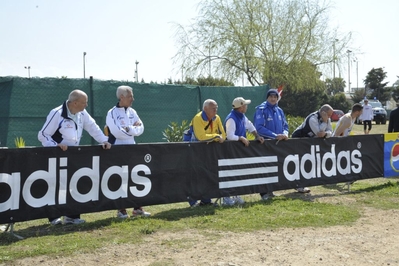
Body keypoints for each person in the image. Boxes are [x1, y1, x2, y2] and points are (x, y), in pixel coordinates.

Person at [38, 89, 112, 225]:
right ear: (75, 103)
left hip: (73, 155)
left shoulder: (82, 113)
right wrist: (56, 145)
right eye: (85, 102)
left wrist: (104, 140)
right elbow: (42, 135)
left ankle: (72, 216)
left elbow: (92, 127)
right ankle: (54, 217)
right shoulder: (57, 113)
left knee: (74, 184)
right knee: (55, 185)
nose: (86, 105)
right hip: (55, 155)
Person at [105, 85, 151, 219]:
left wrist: (129, 129)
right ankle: (121, 210)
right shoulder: (112, 113)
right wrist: (132, 130)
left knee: (135, 177)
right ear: (122, 97)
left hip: (132, 149)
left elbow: (141, 128)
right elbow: (116, 132)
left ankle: (137, 208)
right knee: (120, 178)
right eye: (130, 96)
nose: (133, 99)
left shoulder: (133, 112)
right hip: (118, 149)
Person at [223, 97, 265, 206]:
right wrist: (241, 138)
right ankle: (226, 198)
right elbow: (230, 136)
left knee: (237, 173)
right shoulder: (231, 119)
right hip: (229, 151)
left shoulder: (242, 116)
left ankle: (236, 195)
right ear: (241, 107)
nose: (246, 106)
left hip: (238, 151)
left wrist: (257, 136)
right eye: (245, 105)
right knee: (228, 174)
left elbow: (250, 125)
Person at [188, 99, 226, 207]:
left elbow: (223, 134)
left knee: (207, 174)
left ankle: (206, 200)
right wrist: (216, 137)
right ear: (205, 109)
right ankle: (193, 202)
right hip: (194, 149)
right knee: (194, 176)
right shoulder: (198, 118)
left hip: (208, 151)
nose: (215, 110)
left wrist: (215, 137)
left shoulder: (217, 118)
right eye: (213, 108)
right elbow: (201, 137)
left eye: (216, 108)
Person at [253, 89, 288, 199]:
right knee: (265, 168)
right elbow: (258, 128)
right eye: (270, 97)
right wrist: (275, 135)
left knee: (275, 167)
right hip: (266, 144)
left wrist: (285, 134)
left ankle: (271, 190)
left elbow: (285, 126)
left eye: (275, 97)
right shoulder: (261, 109)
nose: (273, 99)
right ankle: (263, 193)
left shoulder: (279, 110)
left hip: (278, 144)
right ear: (267, 98)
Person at [291, 104, 334, 193]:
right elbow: (318, 133)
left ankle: (302, 185)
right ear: (323, 112)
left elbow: (330, 131)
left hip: (309, 143)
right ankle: (298, 185)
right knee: (299, 163)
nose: (330, 117)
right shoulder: (312, 118)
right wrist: (325, 123)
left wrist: (326, 134)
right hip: (298, 140)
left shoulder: (327, 119)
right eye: (329, 115)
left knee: (308, 163)